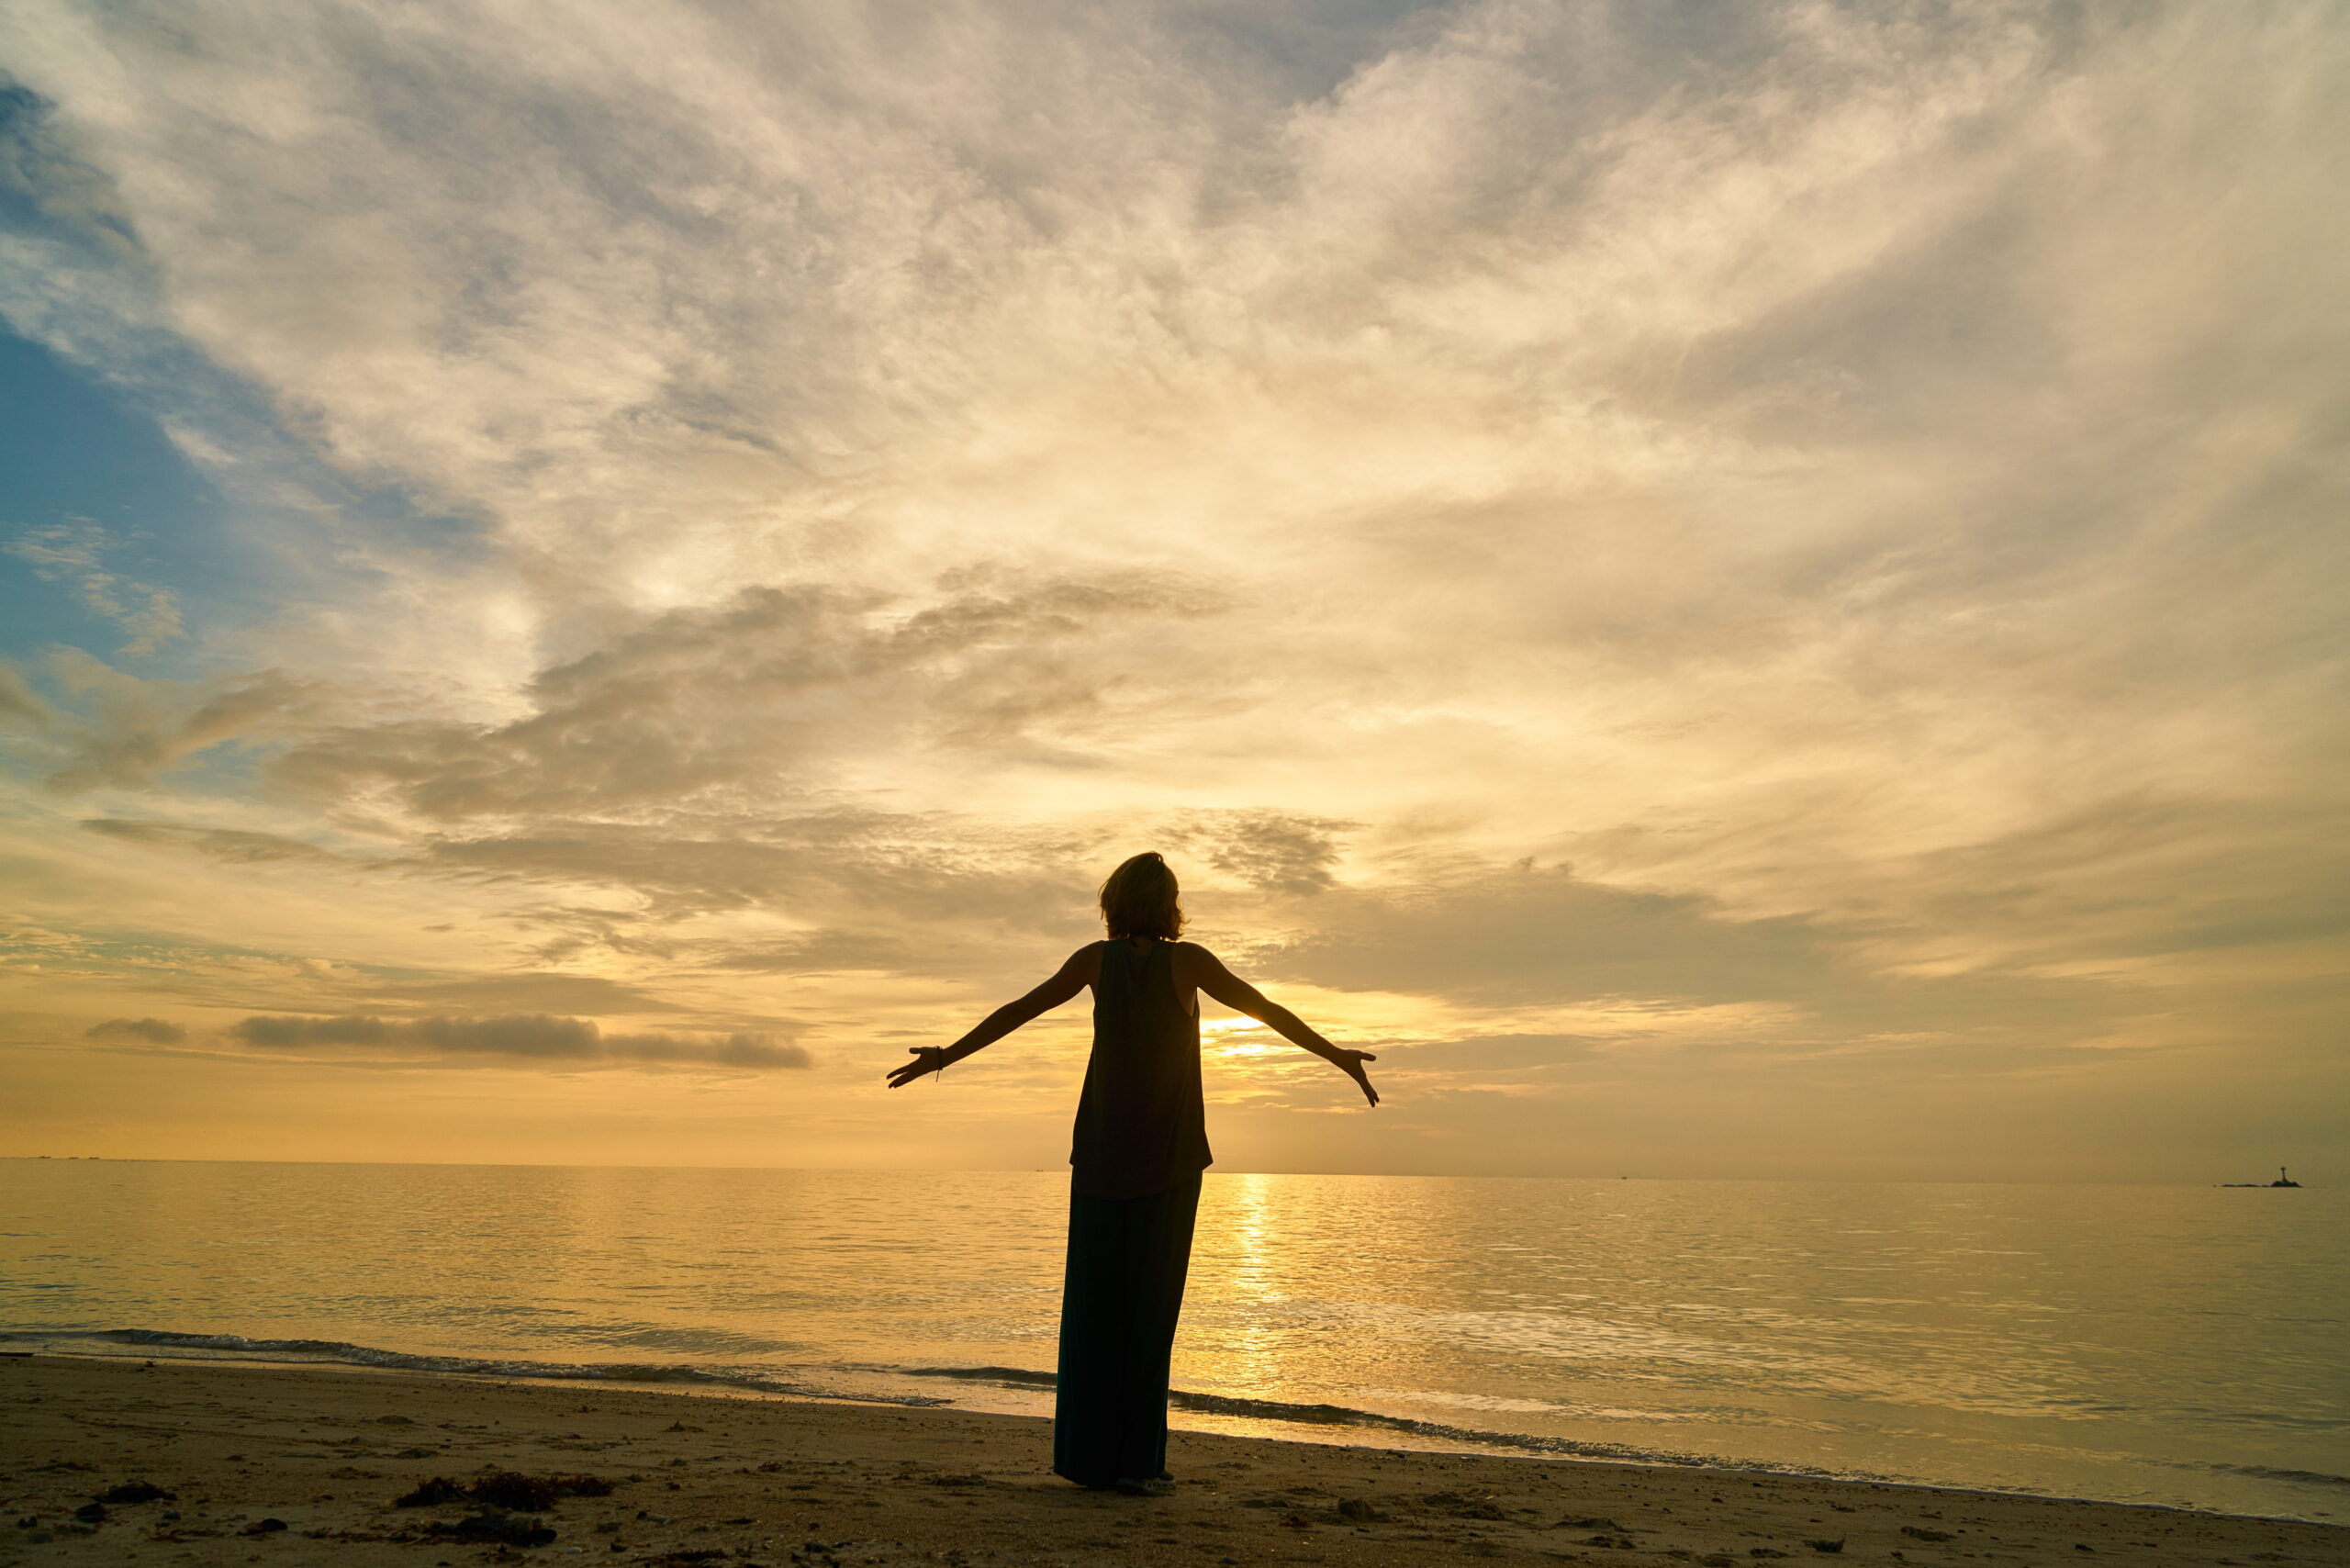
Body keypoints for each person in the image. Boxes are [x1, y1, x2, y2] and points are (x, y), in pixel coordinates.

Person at [884, 851, 1378, 1495]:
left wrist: (947, 1055)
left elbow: (1019, 1010)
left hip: (1100, 1157)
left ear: (1114, 902)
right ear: (1168, 903)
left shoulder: (1097, 959)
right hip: (1169, 1161)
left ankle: (1090, 1461)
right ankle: (1137, 1465)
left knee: (1094, 1313)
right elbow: (1266, 1011)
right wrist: (1335, 1055)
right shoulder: (1187, 961)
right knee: (1148, 1315)